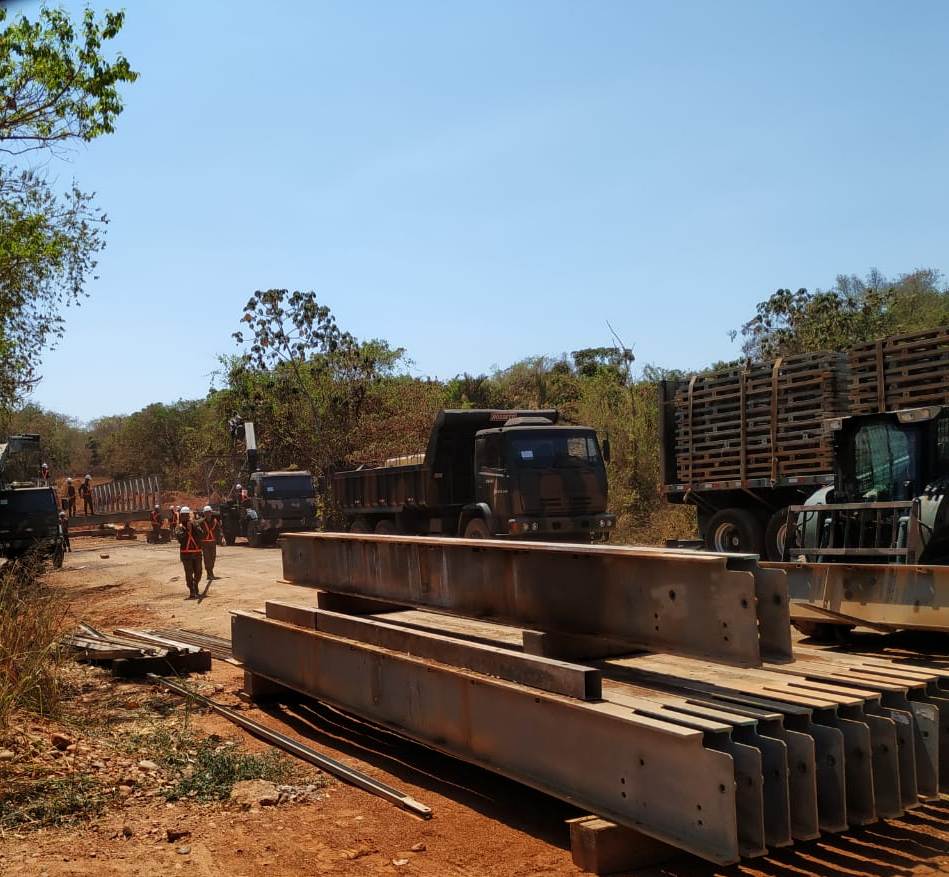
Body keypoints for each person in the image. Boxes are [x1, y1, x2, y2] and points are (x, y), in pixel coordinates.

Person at [175, 506, 203, 599]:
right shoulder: (179, 527)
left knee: (199, 572)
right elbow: (180, 539)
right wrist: (187, 530)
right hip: (186, 554)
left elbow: (201, 534)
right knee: (189, 573)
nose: (185, 517)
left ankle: (196, 585)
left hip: (197, 552)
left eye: (187, 515)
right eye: (184, 515)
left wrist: (194, 527)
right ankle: (192, 590)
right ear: (181, 516)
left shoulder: (195, 524)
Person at [200, 505, 219, 581]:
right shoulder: (201, 522)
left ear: (211, 513)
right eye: (206, 513)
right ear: (204, 514)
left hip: (213, 542)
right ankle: (209, 574)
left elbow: (219, 530)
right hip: (204, 543)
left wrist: (222, 538)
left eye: (209, 512)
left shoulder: (215, 521)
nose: (208, 514)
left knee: (213, 558)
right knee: (207, 559)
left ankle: (211, 572)